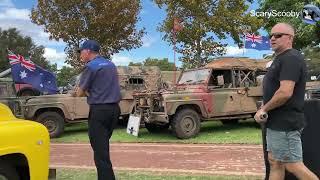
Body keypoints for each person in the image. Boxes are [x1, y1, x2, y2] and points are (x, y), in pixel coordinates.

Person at [254, 23, 319, 180]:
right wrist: (265, 106)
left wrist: (264, 109)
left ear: (290, 38)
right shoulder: (280, 59)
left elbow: (285, 92)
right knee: (275, 162)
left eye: (278, 35)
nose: (272, 38)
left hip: (286, 122)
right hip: (276, 122)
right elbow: (273, 90)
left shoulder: (291, 58)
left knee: (293, 165)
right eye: (271, 35)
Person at [73, 40, 121, 180]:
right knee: (103, 149)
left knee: (100, 153)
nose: (80, 55)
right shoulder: (111, 65)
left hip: (99, 111)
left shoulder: (91, 67)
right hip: (114, 110)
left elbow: (80, 93)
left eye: (81, 52)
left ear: (87, 51)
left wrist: (82, 91)